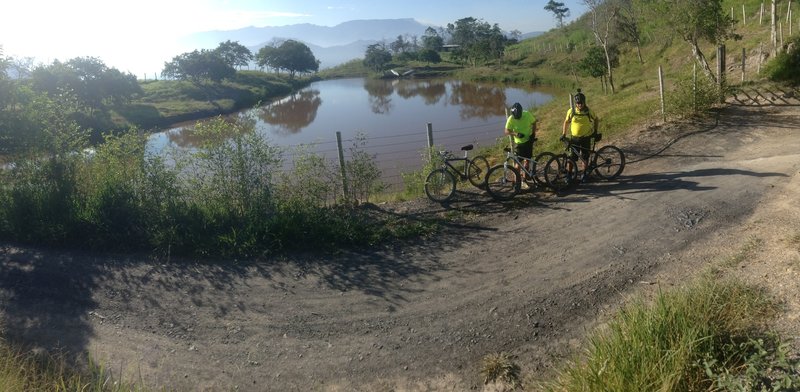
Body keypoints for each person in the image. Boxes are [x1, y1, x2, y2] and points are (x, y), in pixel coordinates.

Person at [561, 89, 599, 172]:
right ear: (576, 103)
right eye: (578, 103)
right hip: (575, 138)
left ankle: (584, 173)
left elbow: (596, 119)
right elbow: (566, 122)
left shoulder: (588, 111)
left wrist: (595, 131)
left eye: (581, 103)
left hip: (586, 137)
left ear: (584, 102)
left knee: (585, 157)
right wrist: (564, 134)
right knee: (572, 158)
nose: (580, 105)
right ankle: (570, 174)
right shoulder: (571, 111)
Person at [504, 102, 537, 189]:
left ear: (521, 112)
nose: (517, 119)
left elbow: (534, 122)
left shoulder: (527, 114)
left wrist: (533, 134)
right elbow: (506, 131)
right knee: (518, 164)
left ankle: (524, 180)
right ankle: (517, 182)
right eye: (516, 117)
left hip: (528, 141)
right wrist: (515, 133)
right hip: (519, 144)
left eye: (518, 116)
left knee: (527, 161)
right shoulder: (511, 118)